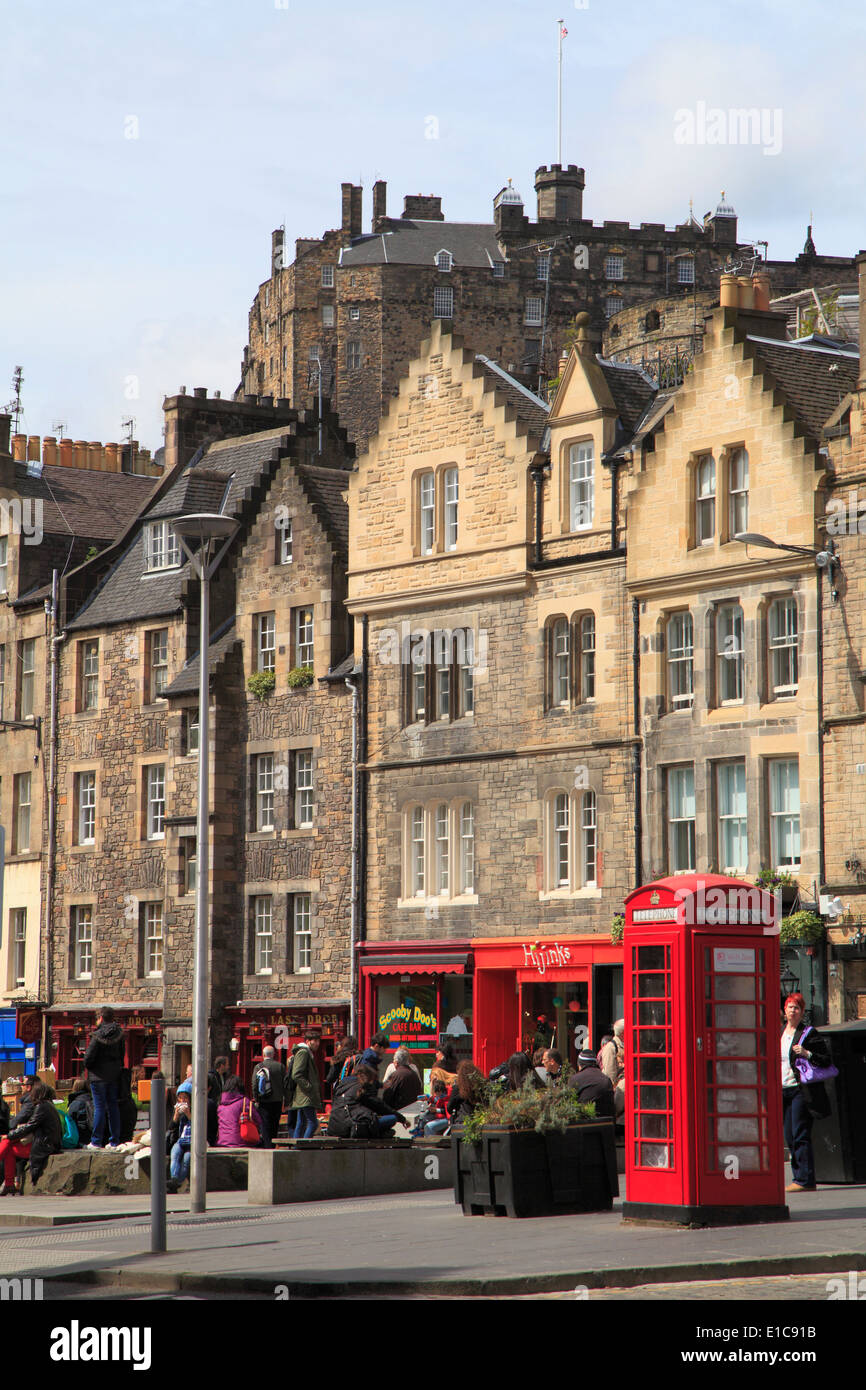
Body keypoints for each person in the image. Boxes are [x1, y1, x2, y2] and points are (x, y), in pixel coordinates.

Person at [782, 992, 831, 1193]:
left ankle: (805, 1179)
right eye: (790, 1007)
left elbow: (826, 1059)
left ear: (802, 1012)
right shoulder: (778, 1032)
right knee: (789, 1136)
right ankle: (799, 1176)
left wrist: (807, 1053)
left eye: (797, 1008)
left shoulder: (808, 1034)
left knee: (799, 1132)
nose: (793, 1011)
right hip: (782, 1089)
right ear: (784, 1010)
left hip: (801, 1090)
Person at [0, 1082, 62, 1194]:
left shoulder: (41, 1107)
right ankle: (9, 1185)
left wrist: (9, 1135)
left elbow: (29, 1126)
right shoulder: (48, 1105)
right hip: (48, 1143)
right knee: (8, 1145)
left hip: (44, 1146)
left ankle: (9, 1184)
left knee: (7, 1143)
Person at [327, 1064, 411, 1139]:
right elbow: (380, 1106)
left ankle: (382, 1133)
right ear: (369, 1078)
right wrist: (402, 1119)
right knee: (392, 1118)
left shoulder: (341, 1086)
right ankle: (382, 1133)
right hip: (352, 1127)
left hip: (334, 1128)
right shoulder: (363, 1088)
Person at [84, 1006, 126, 1150]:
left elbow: (88, 1058)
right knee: (113, 1107)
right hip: (114, 1075)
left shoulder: (97, 1036)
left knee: (100, 1107)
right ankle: (114, 1141)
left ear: (101, 1018)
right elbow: (122, 1055)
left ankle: (96, 1141)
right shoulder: (119, 1034)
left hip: (98, 1076)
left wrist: (91, 1066)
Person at [250, 1044, 286, 1149]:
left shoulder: (258, 1066)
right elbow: (286, 1084)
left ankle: (267, 1146)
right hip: (277, 1100)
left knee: (265, 1125)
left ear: (263, 1054)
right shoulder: (280, 1066)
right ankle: (273, 1145)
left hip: (263, 1100)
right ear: (273, 1054)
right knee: (275, 1124)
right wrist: (286, 1100)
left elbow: (254, 1084)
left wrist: (256, 1098)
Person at [288, 1031, 322, 1139]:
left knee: (301, 1122)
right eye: (315, 1041)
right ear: (307, 1041)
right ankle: (304, 1147)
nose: (317, 1044)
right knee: (313, 1123)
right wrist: (309, 1087)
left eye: (318, 1041)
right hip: (305, 1095)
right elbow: (297, 1074)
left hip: (303, 1095)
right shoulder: (303, 1053)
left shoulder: (306, 1053)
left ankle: (297, 1149)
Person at [216, 1074, 262, 1147]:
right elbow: (258, 1120)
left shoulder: (220, 1104)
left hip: (222, 1142)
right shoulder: (244, 1102)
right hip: (242, 1142)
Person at [568, 1048, 615, 1116]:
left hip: (583, 1122)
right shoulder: (606, 1079)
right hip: (606, 1122)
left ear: (579, 1065)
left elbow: (570, 1104)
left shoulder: (574, 1079)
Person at [166, 1081, 193, 1192]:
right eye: (180, 1098)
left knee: (187, 1159)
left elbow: (199, 1127)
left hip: (192, 1142)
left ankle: (177, 1182)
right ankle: (174, 1179)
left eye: (185, 1098)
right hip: (180, 1141)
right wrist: (176, 1116)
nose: (182, 1101)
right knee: (175, 1153)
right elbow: (171, 1127)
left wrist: (189, 1115)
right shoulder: (177, 1110)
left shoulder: (196, 1110)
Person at [447, 1061, 488, 1127]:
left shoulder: (458, 1088)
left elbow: (449, 1108)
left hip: (462, 1122)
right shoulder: (481, 1086)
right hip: (480, 1120)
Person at [600, 1019, 626, 1123]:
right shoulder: (610, 1047)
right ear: (623, 1033)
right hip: (620, 1091)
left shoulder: (628, 1045)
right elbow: (610, 1075)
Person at [67, 1077, 94, 1148]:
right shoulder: (94, 1101)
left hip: (80, 1139)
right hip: (93, 1137)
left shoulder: (75, 1103)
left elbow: (70, 1122)